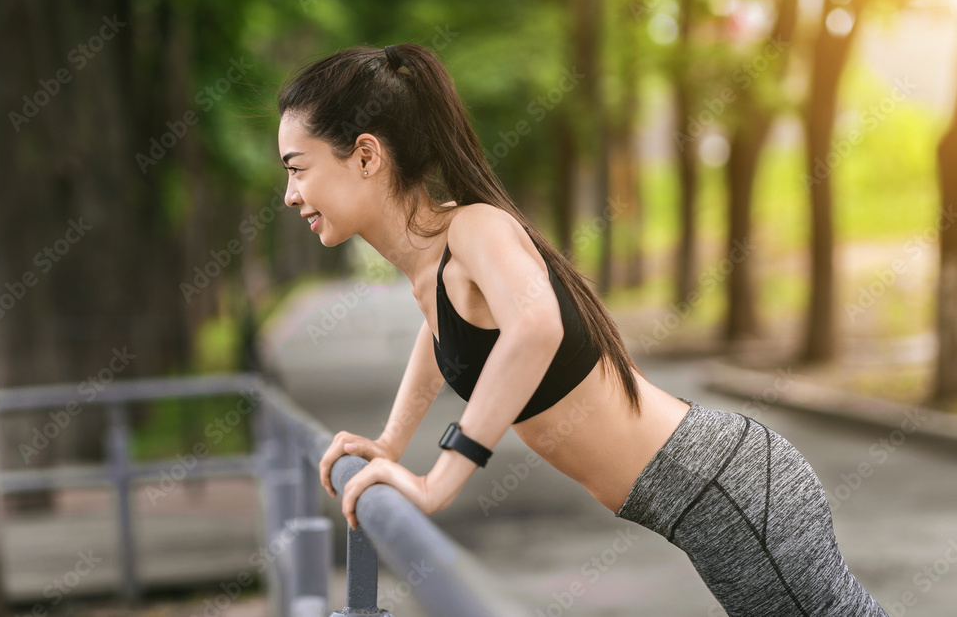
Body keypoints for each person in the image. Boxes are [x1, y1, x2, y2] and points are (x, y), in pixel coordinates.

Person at [277, 43, 887, 616]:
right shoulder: (433, 270)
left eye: (298, 169)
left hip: (725, 490)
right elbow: (442, 342)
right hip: (703, 500)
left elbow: (535, 325)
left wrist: (439, 479)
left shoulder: (474, 230)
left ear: (365, 155)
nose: (289, 194)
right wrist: (388, 443)